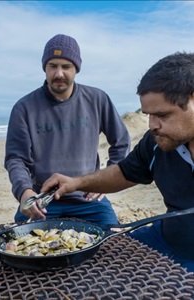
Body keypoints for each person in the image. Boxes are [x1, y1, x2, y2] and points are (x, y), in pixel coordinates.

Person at [41, 52, 194, 272]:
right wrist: (75, 183)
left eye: (162, 115)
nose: (152, 125)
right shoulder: (156, 142)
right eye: (148, 115)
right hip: (165, 237)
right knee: (95, 260)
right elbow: (124, 173)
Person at [4, 34, 130, 226]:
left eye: (66, 66)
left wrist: (106, 181)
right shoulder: (24, 108)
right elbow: (16, 158)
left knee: (112, 241)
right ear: (44, 68)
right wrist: (25, 192)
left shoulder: (97, 99)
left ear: (76, 68)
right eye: (52, 66)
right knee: (24, 246)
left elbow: (121, 141)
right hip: (43, 201)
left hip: (88, 200)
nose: (59, 74)